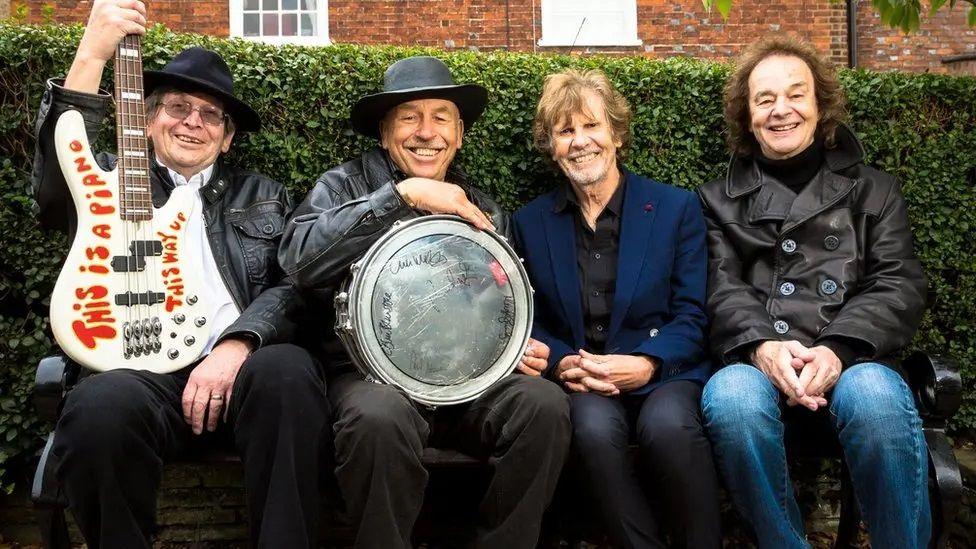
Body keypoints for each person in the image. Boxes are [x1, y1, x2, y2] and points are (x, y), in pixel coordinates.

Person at [32, 1, 330, 547]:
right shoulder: (108, 186)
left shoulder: (263, 195)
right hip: (141, 377)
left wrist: (239, 343)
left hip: (241, 372)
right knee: (99, 409)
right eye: (178, 106)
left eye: (211, 114)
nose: (194, 122)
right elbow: (52, 189)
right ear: (146, 119)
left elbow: (295, 284)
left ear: (228, 137)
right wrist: (92, 51)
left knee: (289, 372)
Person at [277, 55, 571, 549]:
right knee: (378, 419)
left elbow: (497, 302)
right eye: (409, 117)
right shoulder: (342, 186)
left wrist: (515, 345)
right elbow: (297, 261)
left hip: (468, 383)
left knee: (543, 405)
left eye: (441, 118)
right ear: (385, 132)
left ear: (459, 134)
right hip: (368, 379)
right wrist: (401, 196)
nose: (425, 132)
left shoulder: (483, 207)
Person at [698, 37, 929, 548]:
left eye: (796, 95)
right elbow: (719, 284)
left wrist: (838, 348)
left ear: (820, 105)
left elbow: (898, 281)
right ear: (747, 115)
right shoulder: (715, 201)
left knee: (875, 397)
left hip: (853, 360)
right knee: (731, 399)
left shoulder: (875, 190)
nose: (782, 110)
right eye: (764, 99)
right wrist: (762, 346)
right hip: (759, 363)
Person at [512, 68, 722, 548]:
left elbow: (693, 312)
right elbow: (530, 317)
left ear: (617, 135)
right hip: (583, 376)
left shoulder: (674, 208)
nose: (580, 141)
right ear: (551, 145)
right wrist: (564, 360)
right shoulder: (530, 222)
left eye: (592, 126)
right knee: (590, 430)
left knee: (669, 427)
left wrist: (647, 364)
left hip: (664, 372)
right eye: (565, 131)